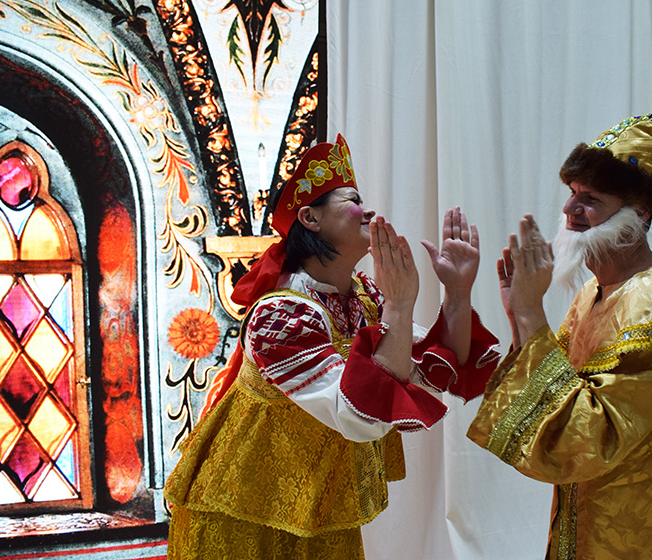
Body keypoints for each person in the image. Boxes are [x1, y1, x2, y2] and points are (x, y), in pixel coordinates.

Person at [164, 134, 499, 559]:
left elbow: (433, 370)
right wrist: (398, 305)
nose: (369, 211)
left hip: (319, 509)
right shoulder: (281, 316)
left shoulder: (362, 297)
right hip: (242, 514)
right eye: (354, 199)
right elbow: (360, 418)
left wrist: (457, 292)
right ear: (310, 218)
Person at [467, 114, 652, 559]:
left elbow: (589, 437)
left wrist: (531, 311)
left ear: (640, 212)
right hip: (599, 512)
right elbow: (562, 388)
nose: (570, 209)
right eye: (572, 192)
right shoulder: (592, 293)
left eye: (591, 199)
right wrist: (518, 316)